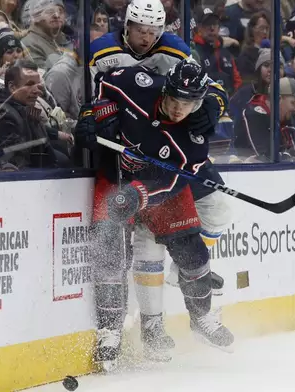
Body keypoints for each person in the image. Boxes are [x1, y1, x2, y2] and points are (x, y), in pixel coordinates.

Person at [89, 0, 231, 357]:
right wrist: (91, 115)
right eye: (141, 29)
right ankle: (111, 331)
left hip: (158, 183)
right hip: (117, 171)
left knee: (193, 250)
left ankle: (200, 318)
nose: (182, 110)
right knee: (109, 252)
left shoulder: (194, 133)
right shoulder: (133, 80)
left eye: (154, 31)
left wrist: (210, 104)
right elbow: (101, 94)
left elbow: (177, 177)